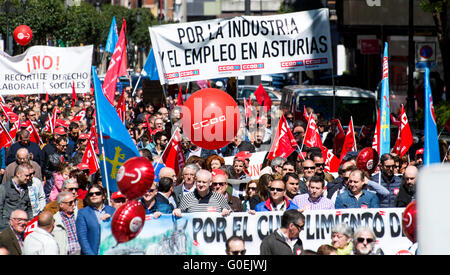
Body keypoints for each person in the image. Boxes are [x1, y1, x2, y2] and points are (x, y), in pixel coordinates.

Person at [76, 184, 115, 255]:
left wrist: (112, 219)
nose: (94, 195)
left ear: (103, 196)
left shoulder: (112, 211)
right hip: (94, 252)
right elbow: (82, 238)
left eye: (97, 193)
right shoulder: (83, 213)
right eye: (91, 194)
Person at [0, 164, 33, 231]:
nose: (28, 178)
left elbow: (28, 207)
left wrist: (30, 221)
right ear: (18, 174)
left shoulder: (25, 188)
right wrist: (2, 227)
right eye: (26, 175)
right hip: (8, 227)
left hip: (23, 226)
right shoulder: (4, 188)